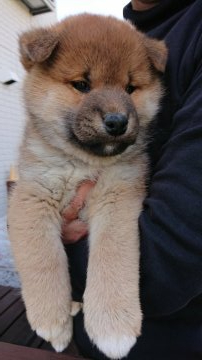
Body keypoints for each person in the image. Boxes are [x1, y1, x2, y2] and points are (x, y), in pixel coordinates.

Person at [62, 1, 202, 359]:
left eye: (130, 87)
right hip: (87, 337)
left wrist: (56, 237)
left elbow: (163, 266)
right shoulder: (119, 33)